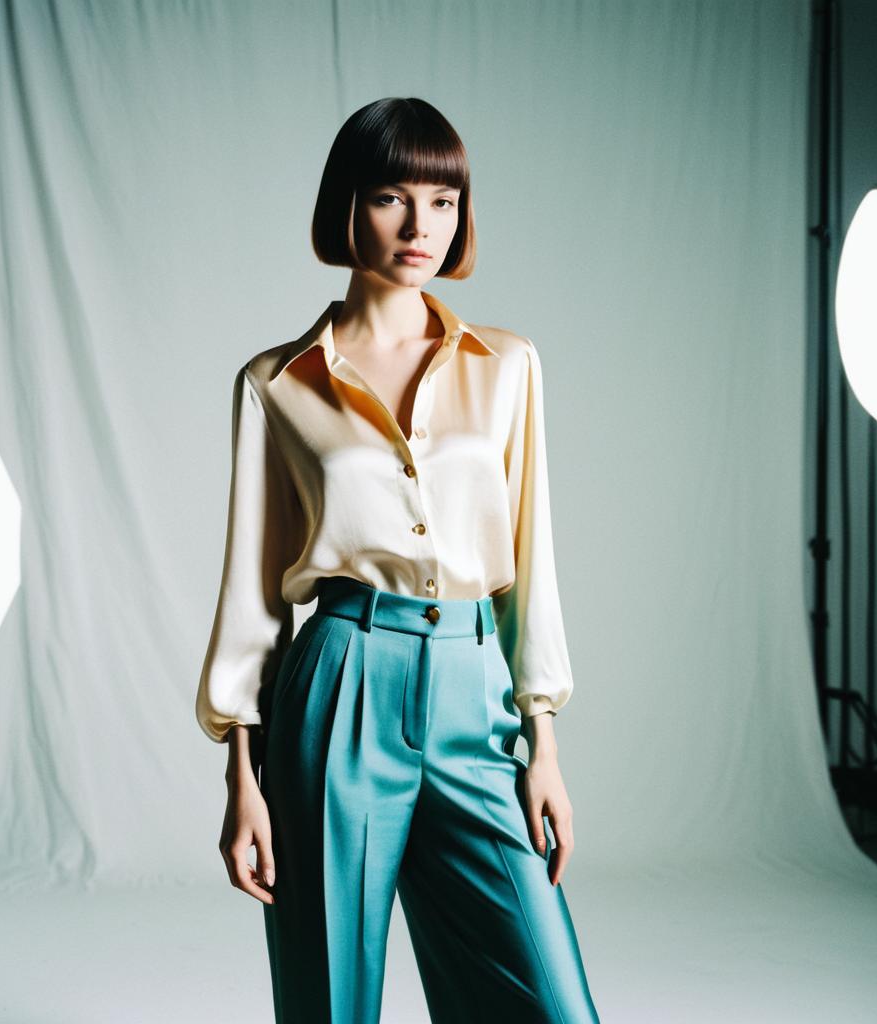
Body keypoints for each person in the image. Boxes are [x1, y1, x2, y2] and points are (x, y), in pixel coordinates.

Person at [196, 96, 601, 1024]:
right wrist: (241, 778)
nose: (421, 227)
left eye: (444, 201)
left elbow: (530, 562)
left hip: (473, 688)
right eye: (391, 197)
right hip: (338, 687)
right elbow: (251, 597)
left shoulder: (506, 366)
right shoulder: (276, 384)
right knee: (330, 997)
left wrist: (543, 744)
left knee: (552, 1003)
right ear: (347, 206)